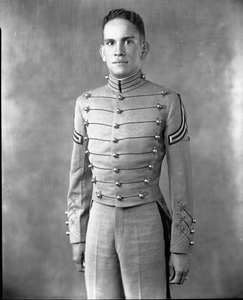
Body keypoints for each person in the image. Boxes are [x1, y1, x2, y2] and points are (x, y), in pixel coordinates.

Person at [66, 8, 196, 299]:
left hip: (146, 222)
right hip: (98, 223)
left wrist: (180, 246)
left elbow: (181, 180)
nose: (119, 50)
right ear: (102, 51)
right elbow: (79, 177)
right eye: (111, 43)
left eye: (128, 41)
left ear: (143, 47)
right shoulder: (85, 104)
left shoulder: (168, 102)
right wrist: (78, 235)